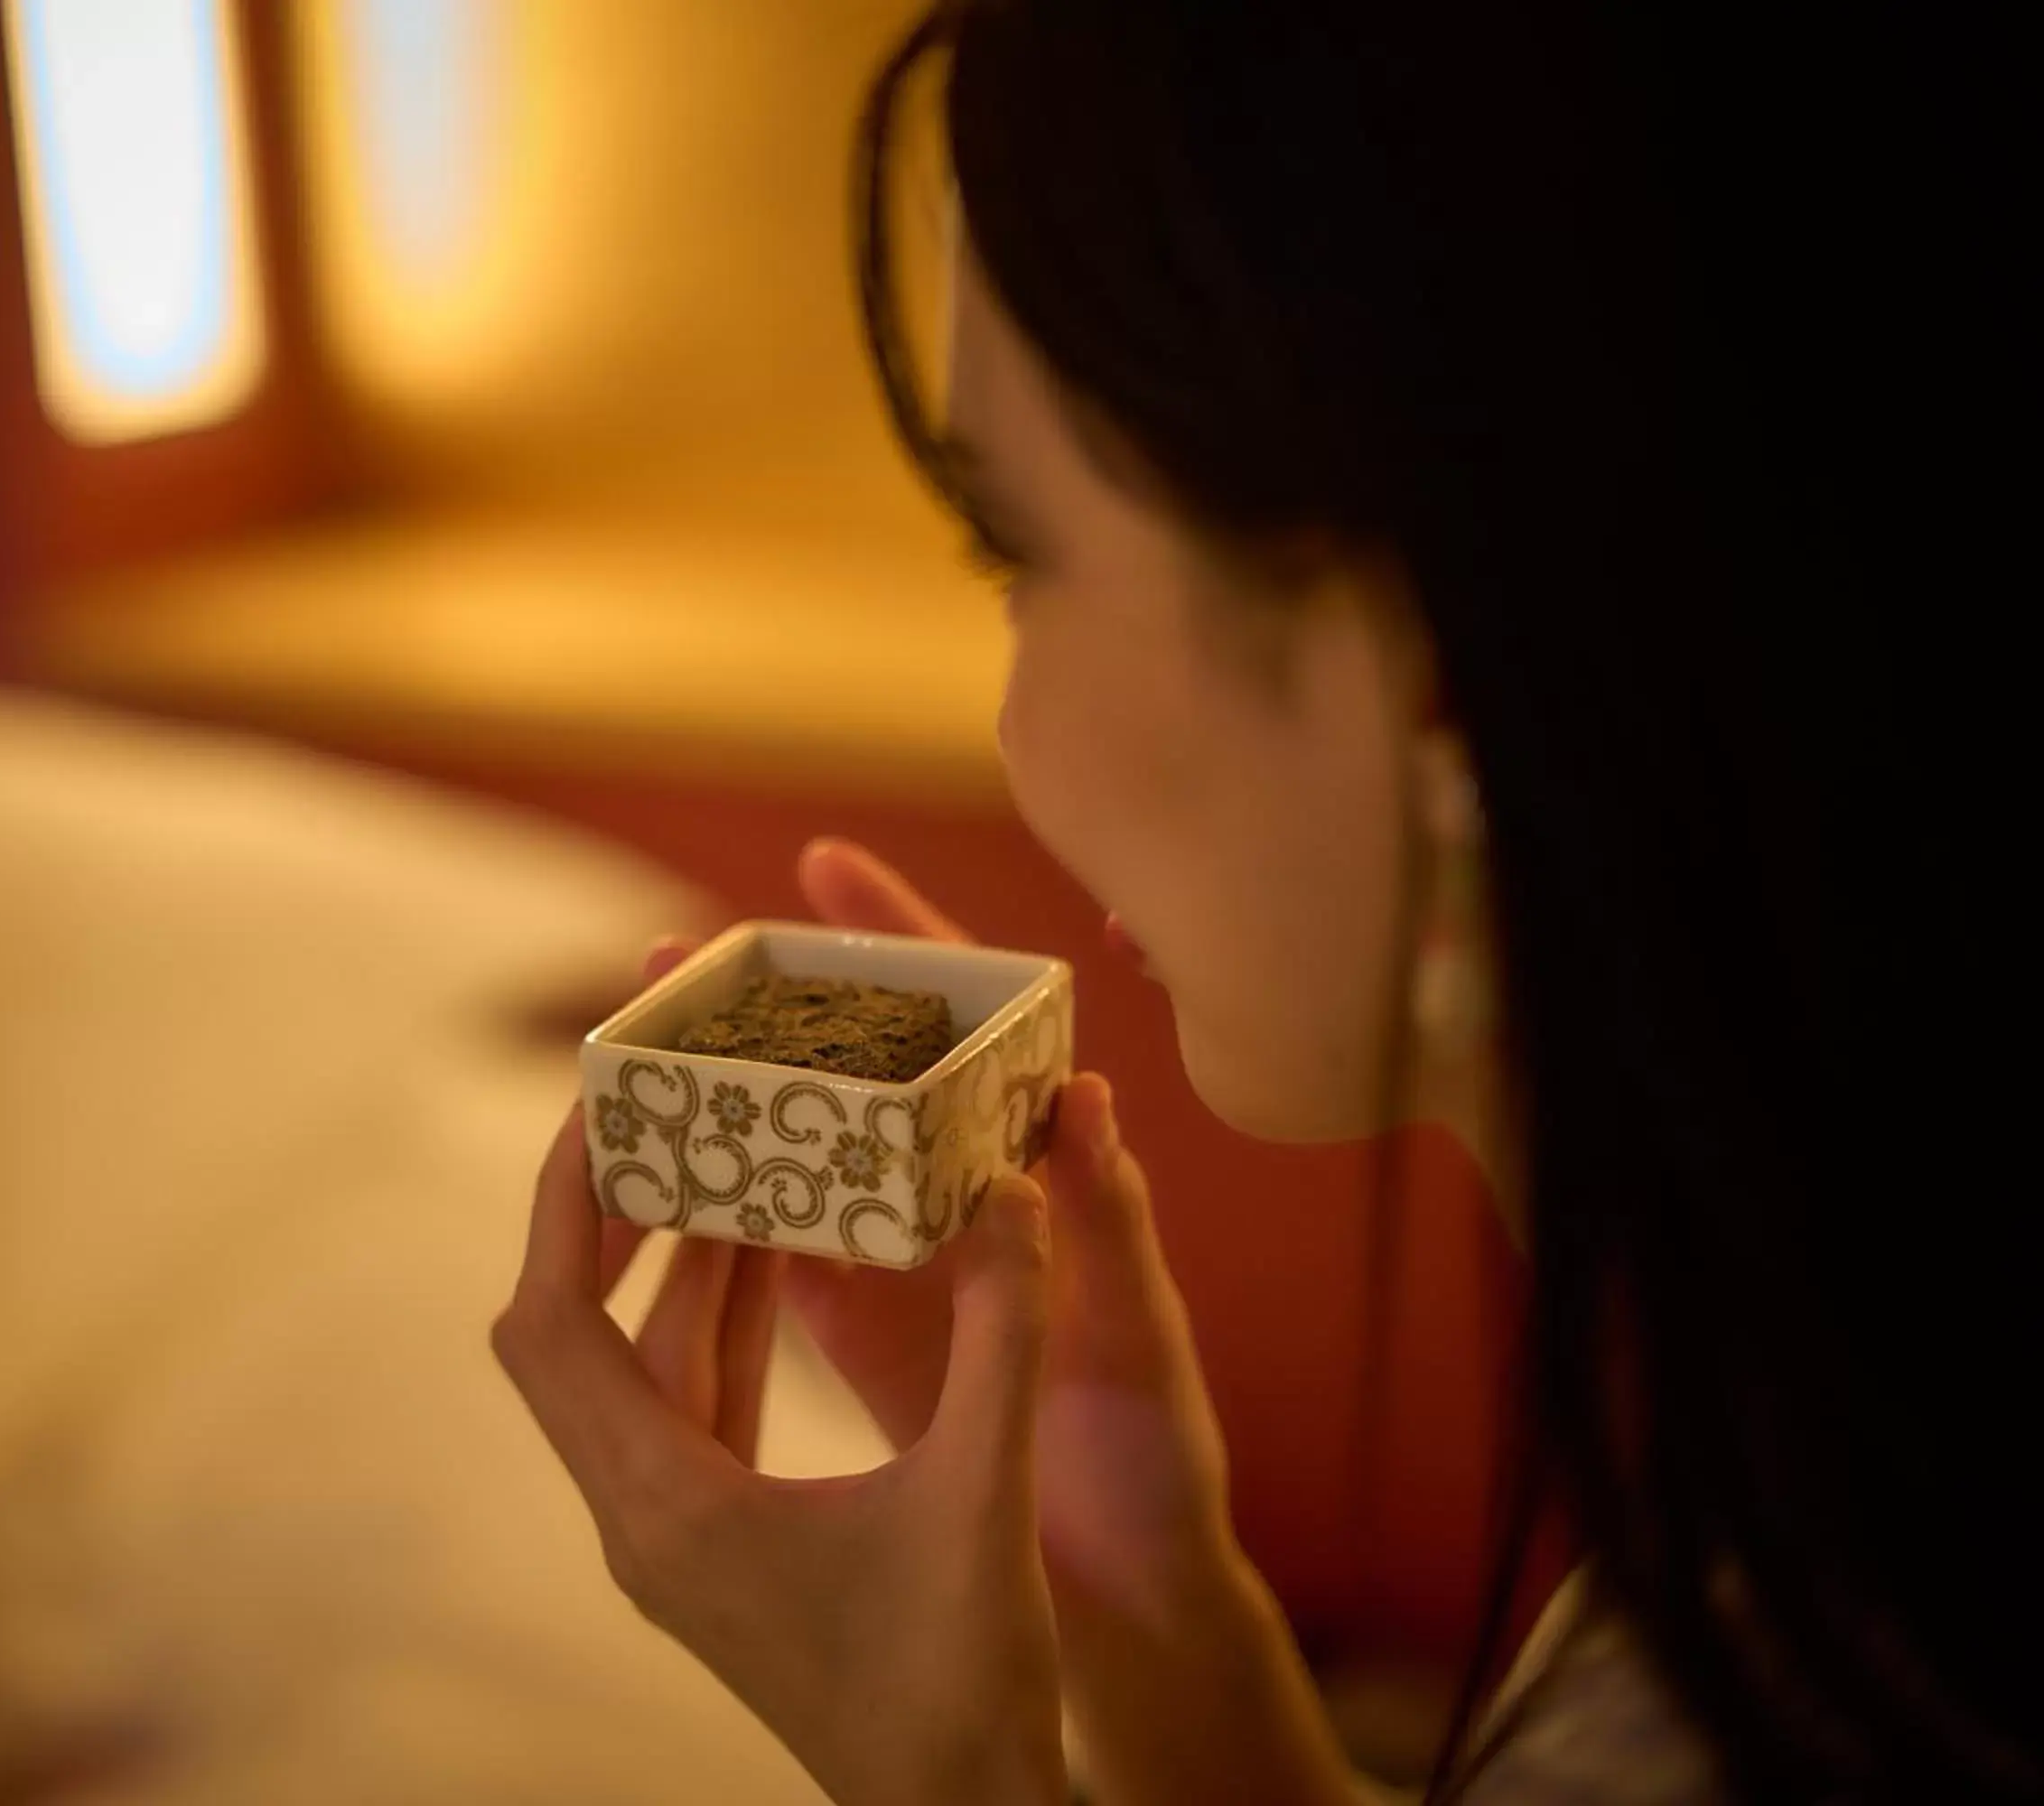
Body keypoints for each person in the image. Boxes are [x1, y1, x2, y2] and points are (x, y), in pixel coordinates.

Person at [494, 3, 2029, 1801]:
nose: (1014, 731)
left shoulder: (1839, 1694)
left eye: (1023, 555)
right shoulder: (1886, 1466)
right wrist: (1156, 1612)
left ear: (1435, 655)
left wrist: (951, 1769)